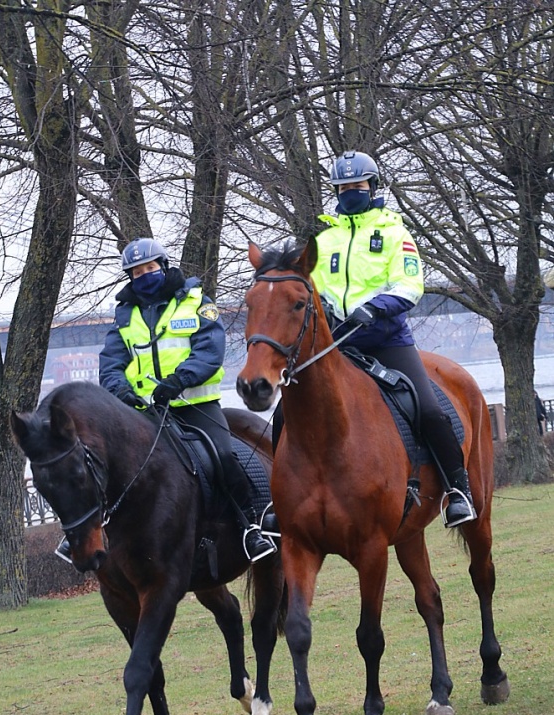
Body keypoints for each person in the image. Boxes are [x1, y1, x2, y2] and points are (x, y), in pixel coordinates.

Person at [55, 238, 276, 564]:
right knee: (102, 463)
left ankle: (251, 527)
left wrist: (179, 380)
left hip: (194, 406)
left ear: (164, 265)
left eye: (150, 268)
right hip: (143, 411)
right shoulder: (124, 315)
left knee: (225, 458)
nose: (145, 275)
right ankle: (83, 533)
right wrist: (121, 392)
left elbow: (210, 349)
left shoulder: (198, 300)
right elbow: (112, 364)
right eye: (137, 271)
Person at [312, 150, 476, 527]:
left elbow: (409, 284)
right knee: (290, 408)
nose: (351, 192)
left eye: (358, 186)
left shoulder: (393, 232)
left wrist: (375, 308)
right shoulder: (325, 239)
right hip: (340, 343)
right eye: (343, 187)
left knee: (430, 409)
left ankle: (458, 490)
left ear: (372, 187)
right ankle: (278, 498)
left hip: (387, 340)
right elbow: (315, 286)